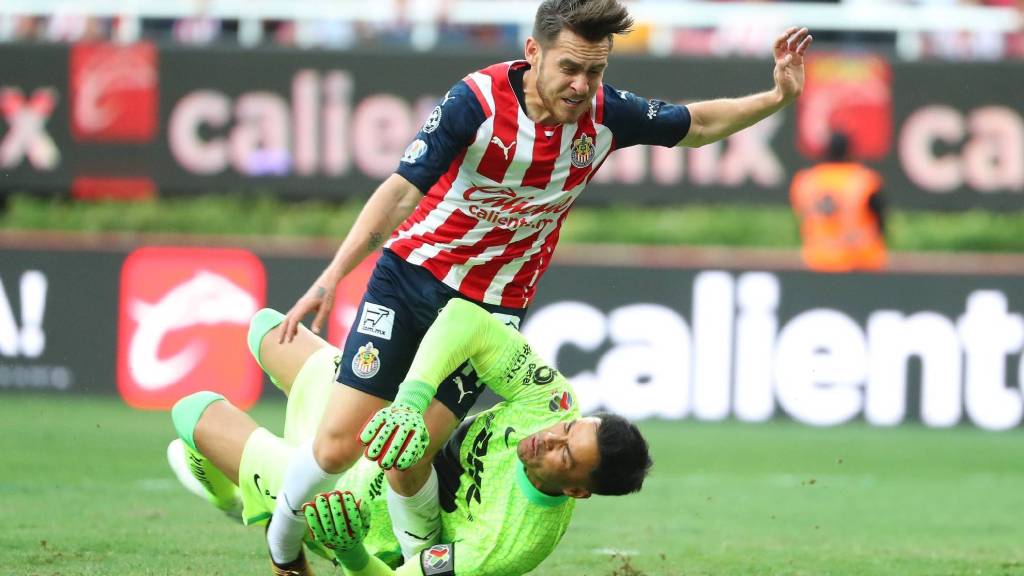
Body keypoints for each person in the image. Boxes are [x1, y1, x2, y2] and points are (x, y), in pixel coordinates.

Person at [267, 0, 813, 570]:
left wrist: (777, 97)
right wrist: (332, 275)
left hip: (489, 311)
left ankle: (414, 561)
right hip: (410, 279)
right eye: (569, 68)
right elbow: (403, 190)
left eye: (595, 71)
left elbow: (697, 125)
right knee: (337, 446)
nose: (581, 85)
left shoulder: (606, 114)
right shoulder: (476, 101)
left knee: (412, 453)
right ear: (534, 52)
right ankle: (283, 553)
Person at [168, 298, 652, 575]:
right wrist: (410, 402)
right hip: (378, 427)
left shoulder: (512, 543)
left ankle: (239, 501)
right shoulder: (553, 403)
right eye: (566, 430)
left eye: (565, 454)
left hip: (355, 511)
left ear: (577, 490)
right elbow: (466, 319)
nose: (547, 438)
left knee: (194, 412)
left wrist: (352, 551)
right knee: (268, 329)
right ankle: (239, 496)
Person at [790, 131, 886, 272]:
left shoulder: (807, 181)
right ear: (850, 151)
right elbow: (881, 221)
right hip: (861, 264)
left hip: (817, 262)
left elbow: (800, 217)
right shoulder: (863, 180)